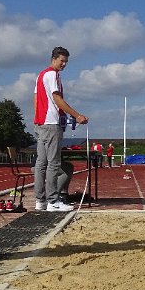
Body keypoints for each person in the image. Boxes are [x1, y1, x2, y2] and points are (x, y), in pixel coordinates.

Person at [34, 47, 89, 212]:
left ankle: (40, 201)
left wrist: (37, 119)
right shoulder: (53, 75)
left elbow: (36, 98)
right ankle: (53, 201)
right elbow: (57, 98)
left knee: (41, 163)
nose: (64, 64)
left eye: (66, 62)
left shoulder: (41, 75)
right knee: (53, 163)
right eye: (62, 61)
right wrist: (77, 115)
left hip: (41, 123)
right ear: (54, 59)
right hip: (51, 123)